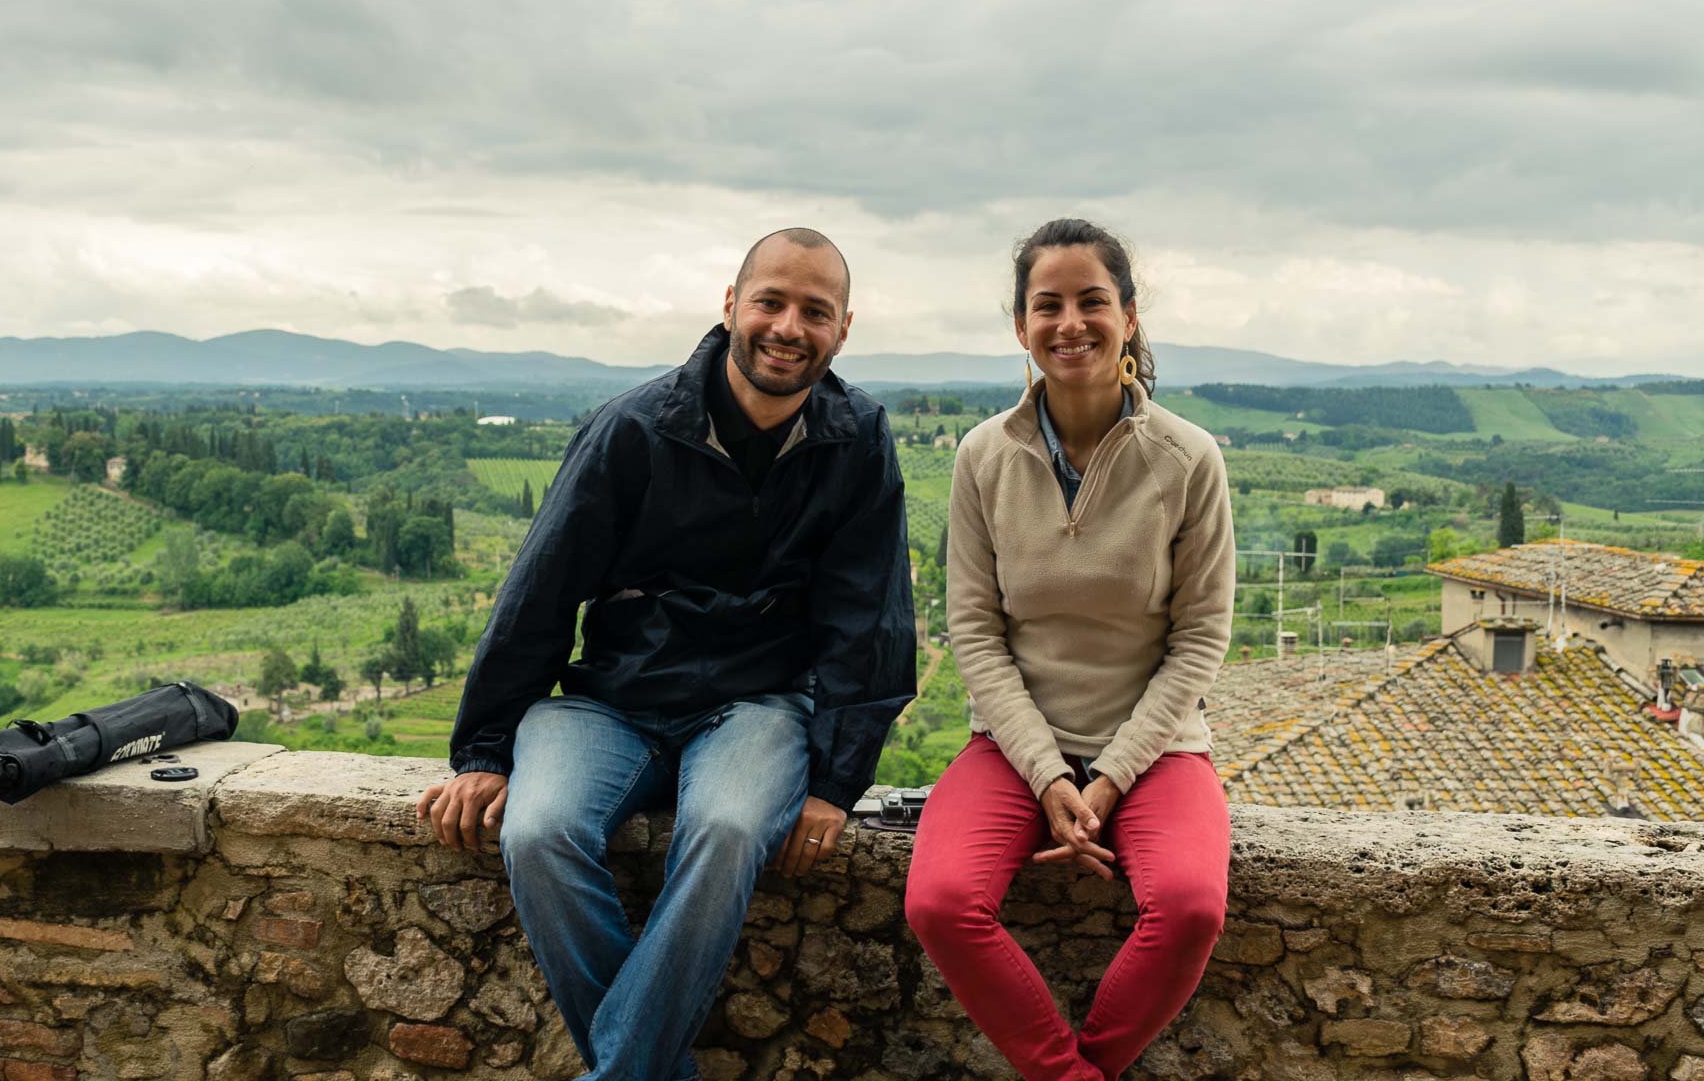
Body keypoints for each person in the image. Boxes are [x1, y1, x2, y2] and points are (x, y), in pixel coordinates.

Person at [418, 228, 916, 1081]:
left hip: (757, 706)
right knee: (536, 832)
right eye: (771, 300)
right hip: (609, 699)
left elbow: (869, 620)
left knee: (726, 831)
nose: (789, 326)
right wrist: (487, 752)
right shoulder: (636, 428)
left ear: (843, 328)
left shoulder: (857, 437)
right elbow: (540, 592)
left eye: (815, 311)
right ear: (730, 307)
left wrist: (836, 782)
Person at [904, 219, 1235, 1080]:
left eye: (1093, 302)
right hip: (1014, 748)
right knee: (941, 901)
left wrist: (1112, 774)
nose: (1071, 323)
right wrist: (1049, 773)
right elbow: (973, 631)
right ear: (1020, 327)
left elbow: (1200, 638)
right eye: (1047, 305)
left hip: (1157, 748)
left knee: (1192, 908)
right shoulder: (984, 456)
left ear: (1128, 315)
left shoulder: (1189, 458)